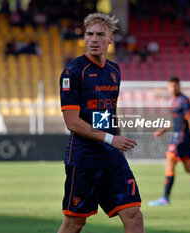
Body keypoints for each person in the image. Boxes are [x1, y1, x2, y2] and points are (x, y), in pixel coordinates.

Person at [57, 13, 145, 233]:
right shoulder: (73, 71)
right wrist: (111, 139)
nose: (94, 39)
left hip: (112, 158)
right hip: (84, 159)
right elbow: (72, 122)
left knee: (134, 215)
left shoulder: (114, 71)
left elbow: (108, 112)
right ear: (84, 39)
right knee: (75, 223)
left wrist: (118, 147)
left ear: (111, 39)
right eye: (89, 34)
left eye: (100, 34)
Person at [148, 77, 190, 206]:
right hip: (178, 137)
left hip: (181, 138)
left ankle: (165, 197)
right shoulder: (174, 100)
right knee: (189, 168)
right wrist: (163, 130)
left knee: (169, 161)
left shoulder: (183, 100)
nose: (172, 89)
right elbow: (176, 121)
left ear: (179, 86)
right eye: (170, 87)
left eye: (174, 86)